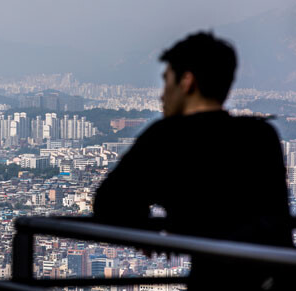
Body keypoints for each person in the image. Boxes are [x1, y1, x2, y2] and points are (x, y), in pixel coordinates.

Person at [93, 32, 294, 290]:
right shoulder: (260, 136)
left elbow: (109, 202)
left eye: (167, 82)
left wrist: (145, 227)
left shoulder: (167, 137)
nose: (162, 95)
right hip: (273, 278)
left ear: (187, 82)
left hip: (212, 281)